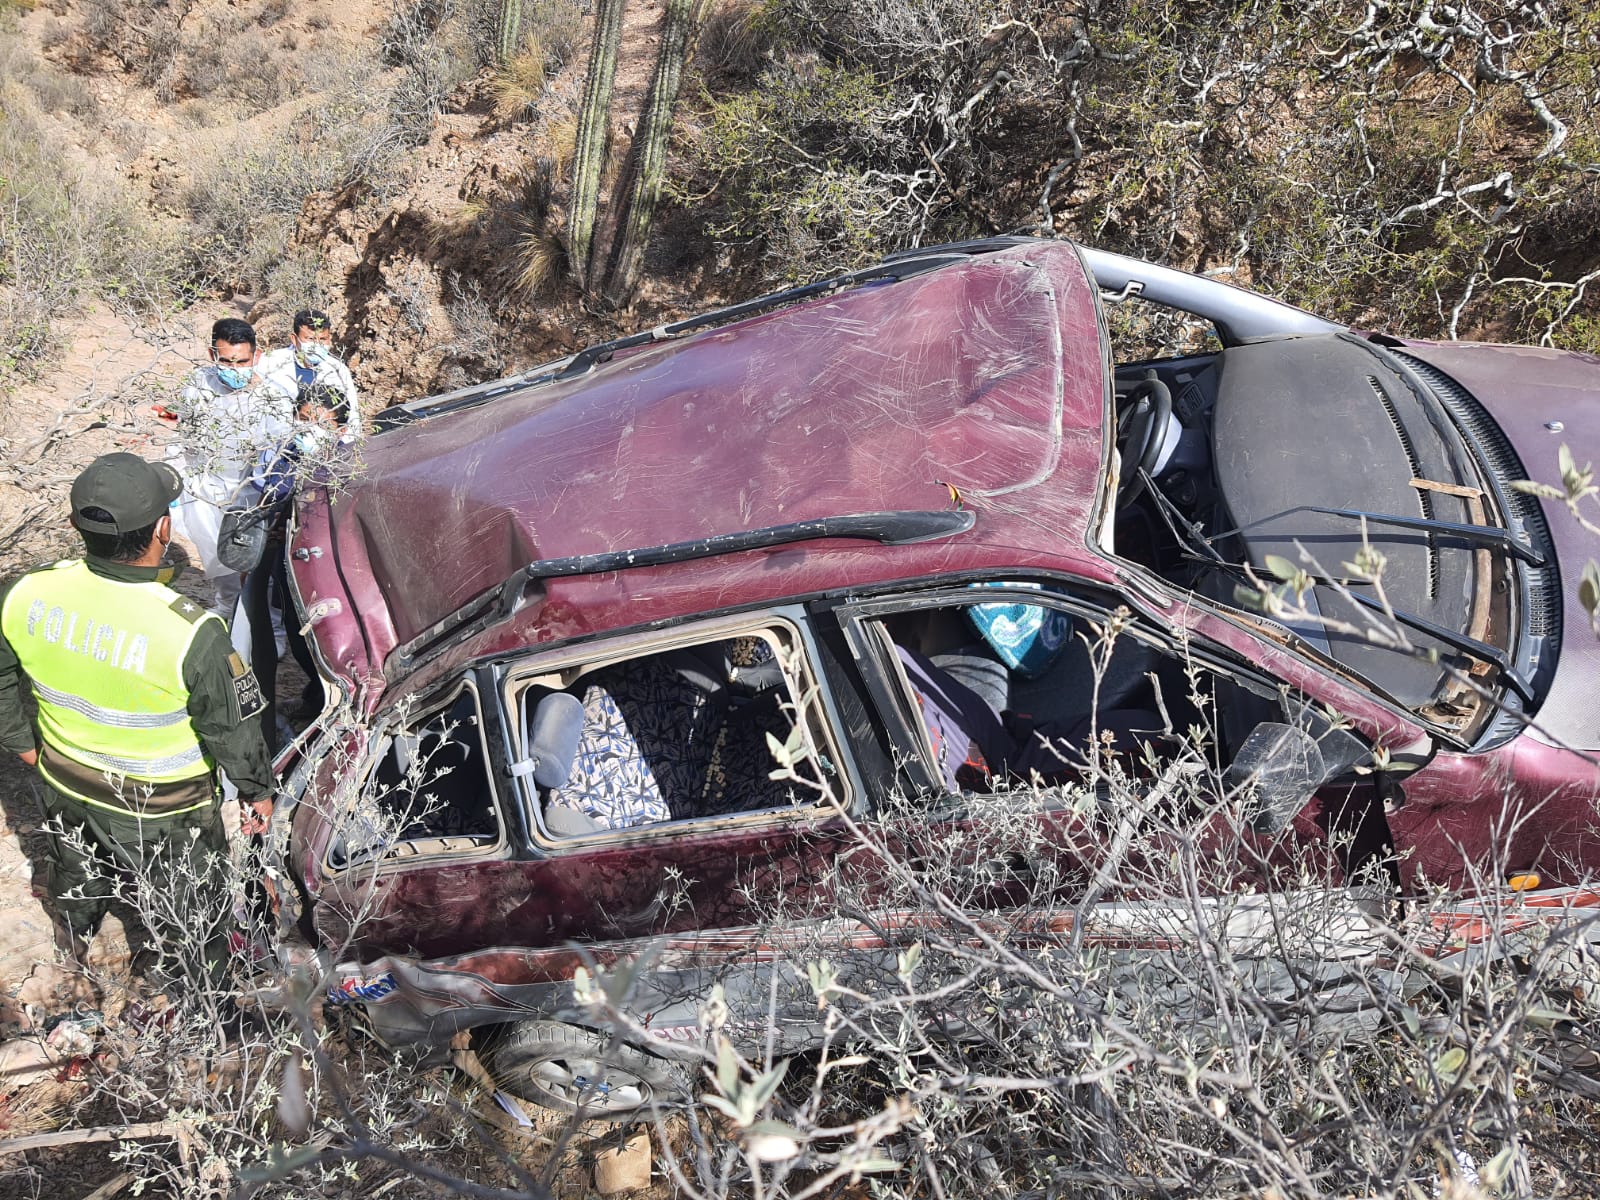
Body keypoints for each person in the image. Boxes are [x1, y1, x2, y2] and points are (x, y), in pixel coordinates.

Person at [0, 453, 275, 976]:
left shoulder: (24, 593)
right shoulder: (193, 634)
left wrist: (21, 742)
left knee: (76, 872)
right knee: (195, 914)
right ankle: (206, 1004)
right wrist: (256, 792)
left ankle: (74, 946)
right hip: (164, 811)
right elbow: (233, 734)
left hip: (67, 782)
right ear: (164, 528)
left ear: (75, 525)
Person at [174, 318, 294, 617]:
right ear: (213, 354)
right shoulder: (197, 386)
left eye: (242, 361)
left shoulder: (273, 399)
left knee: (251, 556)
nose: (235, 368)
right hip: (205, 486)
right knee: (214, 553)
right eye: (226, 361)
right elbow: (185, 435)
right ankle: (227, 606)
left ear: (256, 356)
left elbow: (277, 456)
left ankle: (268, 623)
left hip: (249, 492)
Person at [260, 309, 362, 433]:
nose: (316, 345)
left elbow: (351, 417)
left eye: (322, 339)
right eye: (310, 339)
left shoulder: (338, 370)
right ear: (294, 338)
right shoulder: (269, 362)